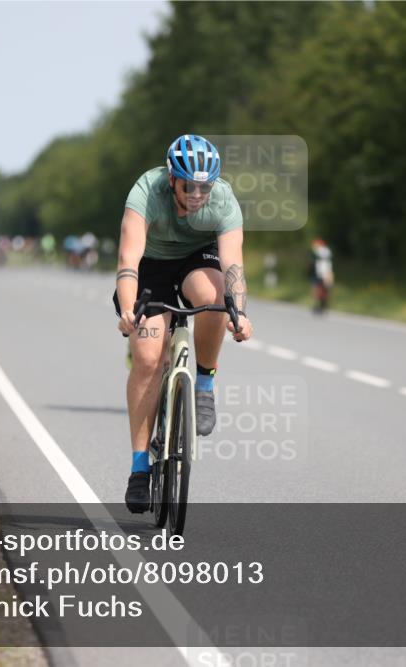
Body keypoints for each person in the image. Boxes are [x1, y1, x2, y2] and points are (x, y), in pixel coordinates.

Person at [113, 134, 254, 512]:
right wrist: (129, 310)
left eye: (203, 187)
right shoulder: (146, 191)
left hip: (196, 258)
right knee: (147, 359)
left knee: (215, 299)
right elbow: (128, 261)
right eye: (188, 186)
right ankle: (140, 468)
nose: (196, 194)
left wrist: (239, 311)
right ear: (172, 179)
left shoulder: (222, 199)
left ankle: (204, 382)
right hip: (151, 266)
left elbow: (233, 265)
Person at [309, 238, 334, 315]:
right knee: (323, 290)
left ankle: (321, 306)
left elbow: (319, 262)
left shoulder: (321, 251)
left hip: (322, 273)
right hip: (324, 273)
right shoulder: (326, 251)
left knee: (319, 290)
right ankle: (322, 306)